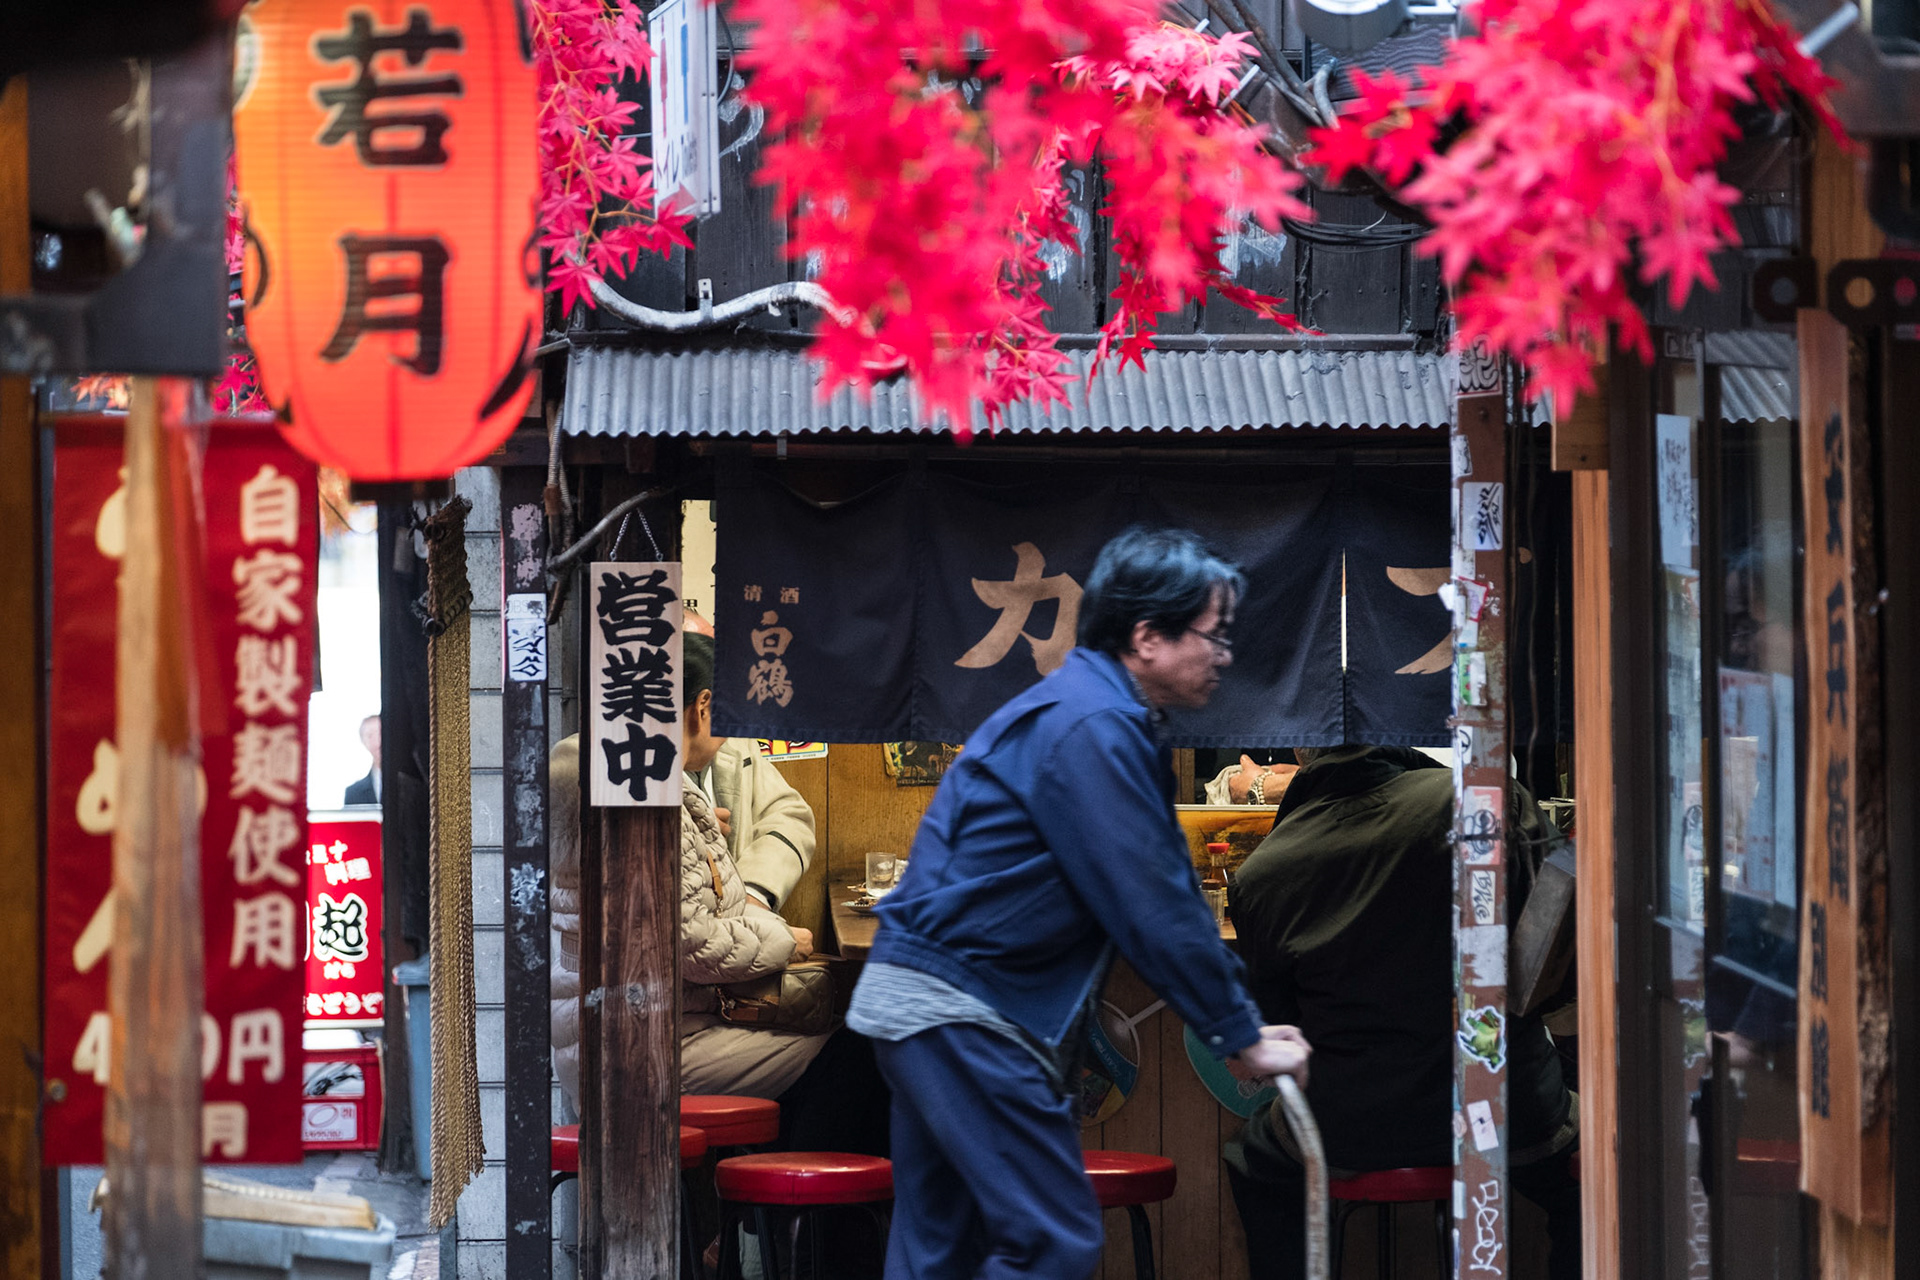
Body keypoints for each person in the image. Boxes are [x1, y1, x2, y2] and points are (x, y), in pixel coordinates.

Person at [847, 526, 1311, 1280]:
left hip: (923, 1007)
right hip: (967, 1012)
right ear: (1148, 636)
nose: (1224, 655)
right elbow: (1154, 901)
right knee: (1051, 1241)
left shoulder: (1080, 710)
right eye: (1213, 635)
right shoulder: (1095, 725)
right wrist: (1238, 1031)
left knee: (939, 1252)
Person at [1224, 744, 1581, 1280]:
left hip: (1350, 1127)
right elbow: (1562, 946)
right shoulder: (1484, 799)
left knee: (1255, 1162)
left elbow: (1276, 1036)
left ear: (1300, 746)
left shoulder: (1258, 875)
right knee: (1596, 1177)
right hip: (1505, 1111)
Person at [549, 635, 887, 1157]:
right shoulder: (650, 793)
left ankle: (773, 1221)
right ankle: (798, 1226)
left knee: (839, 1048)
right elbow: (694, 943)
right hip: (648, 1044)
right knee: (855, 1052)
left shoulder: (629, 771)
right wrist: (781, 938)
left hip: (637, 1028)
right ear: (702, 706)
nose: (729, 739)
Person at [682, 609, 817, 912]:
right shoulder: (605, 756)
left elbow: (789, 814)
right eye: (698, 649)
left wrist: (753, 895)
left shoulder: (732, 734)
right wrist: (683, 827)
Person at [343, 714, 380, 806]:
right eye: (370, 736)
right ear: (363, 742)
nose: (377, 741)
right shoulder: (353, 793)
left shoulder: (408, 786)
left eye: (380, 733)